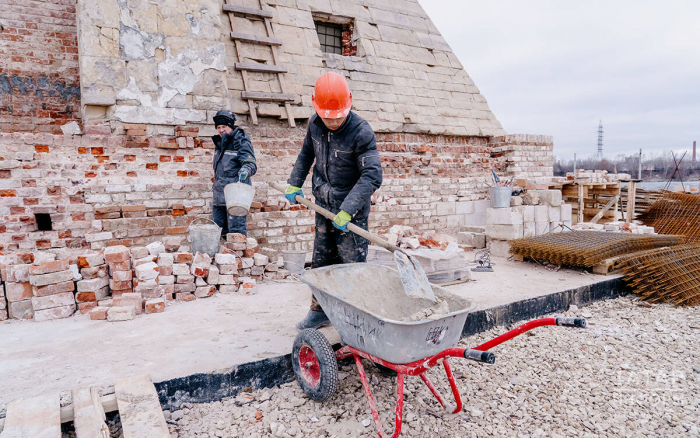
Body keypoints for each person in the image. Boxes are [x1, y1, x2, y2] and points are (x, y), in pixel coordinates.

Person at [285, 72, 383, 330]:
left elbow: (372, 176)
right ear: (316, 106)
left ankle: (355, 321)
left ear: (349, 104)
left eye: (338, 116)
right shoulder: (315, 124)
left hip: (351, 211)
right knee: (321, 262)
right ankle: (320, 311)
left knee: (351, 268)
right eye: (328, 117)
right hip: (323, 205)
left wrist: (348, 210)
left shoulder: (361, 131)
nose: (333, 121)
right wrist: (295, 181)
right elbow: (307, 154)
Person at [212, 110, 257, 237]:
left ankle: (238, 257)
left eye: (224, 127)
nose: (221, 130)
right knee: (218, 234)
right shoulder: (220, 143)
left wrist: (246, 170)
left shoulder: (240, 141)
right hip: (219, 195)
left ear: (230, 126)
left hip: (235, 197)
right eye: (218, 127)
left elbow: (251, 163)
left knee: (236, 235)